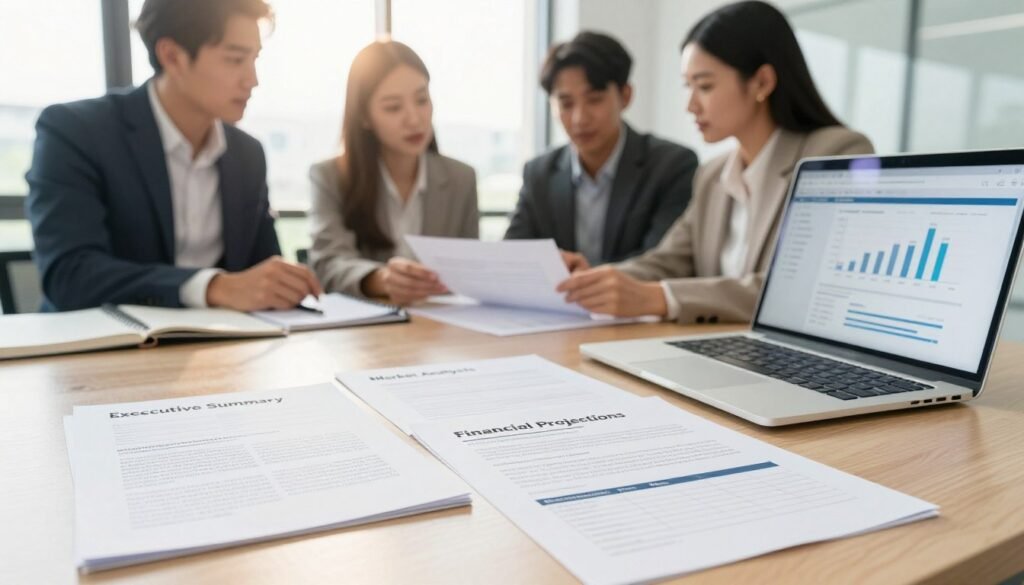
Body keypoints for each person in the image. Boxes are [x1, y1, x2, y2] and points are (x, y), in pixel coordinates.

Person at [557, 0, 874, 323]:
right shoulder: (713, 175)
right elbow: (667, 262)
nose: (690, 105)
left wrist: (661, 298)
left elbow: (797, 289)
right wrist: (594, 281)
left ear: (762, 82)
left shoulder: (838, 152)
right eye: (688, 86)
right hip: (716, 348)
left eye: (705, 86)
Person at [26, 0, 321, 312]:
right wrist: (211, 287)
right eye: (235, 60)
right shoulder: (77, 132)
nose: (253, 80)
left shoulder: (246, 155)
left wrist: (284, 284)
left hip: (224, 348)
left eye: (255, 59)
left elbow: (260, 273)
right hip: (103, 349)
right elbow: (69, 275)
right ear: (172, 55)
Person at [504, 31, 698, 266]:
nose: (579, 119)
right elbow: (513, 257)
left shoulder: (672, 166)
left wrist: (587, 280)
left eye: (594, 99)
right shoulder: (539, 173)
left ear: (625, 96)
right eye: (566, 104)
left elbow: (661, 263)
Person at [309, 41, 478, 304]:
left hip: (442, 328)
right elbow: (328, 264)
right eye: (393, 107)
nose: (414, 118)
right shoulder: (330, 177)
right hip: (366, 334)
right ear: (364, 117)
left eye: (422, 100)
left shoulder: (461, 179)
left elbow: (470, 268)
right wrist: (382, 279)